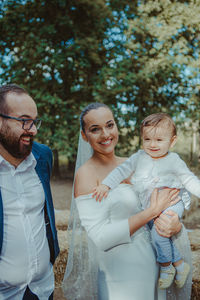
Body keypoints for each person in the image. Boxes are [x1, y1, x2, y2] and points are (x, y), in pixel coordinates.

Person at [63, 103, 192, 300]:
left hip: (156, 264)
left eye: (110, 125)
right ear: (84, 135)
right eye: (95, 129)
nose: (105, 134)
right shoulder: (86, 174)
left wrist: (174, 225)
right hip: (120, 274)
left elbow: (167, 202)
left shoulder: (136, 163)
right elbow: (101, 237)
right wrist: (150, 212)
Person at [93, 112, 197, 290]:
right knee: (154, 234)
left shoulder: (174, 161)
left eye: (159, 140)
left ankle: (166, 267)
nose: (152, 144)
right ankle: (179, 263)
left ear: (172, 141)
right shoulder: (139, 158)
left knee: (159, 232)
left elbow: (189, 180)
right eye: (147, 139)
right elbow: (121, 171)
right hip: (150, 205)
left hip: (172, 201)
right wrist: (106, 185)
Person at [0, 84, 59, 299]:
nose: (33, 130)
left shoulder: (43, 157)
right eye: (25, 121)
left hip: (42, 289)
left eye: (35, 121)